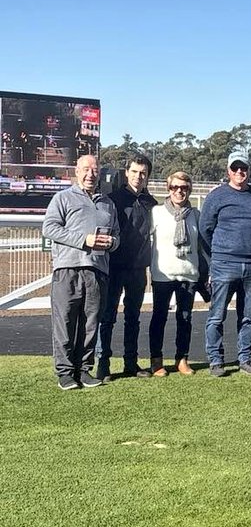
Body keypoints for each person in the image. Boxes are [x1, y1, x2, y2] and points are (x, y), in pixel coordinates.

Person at [42, 155, 120, 390]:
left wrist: (111, 243)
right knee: (65, 322)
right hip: (67, 270)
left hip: (96, 271)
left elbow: (117, 237)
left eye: (94, 170)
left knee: (90, 324)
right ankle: (65, 373)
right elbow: (50, 228)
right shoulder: (62, 198)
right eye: (86, 169)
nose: (91, 174)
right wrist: (83, 240)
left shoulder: (108, 203)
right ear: (76, 171)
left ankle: (84, 370)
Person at [199, 151, 251, 377]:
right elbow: (205, 230)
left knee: (247, 316)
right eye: (235, 168)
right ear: (228, 170)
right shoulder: (217, 196)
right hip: (224, 264)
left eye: (243, 168)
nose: (240, 172)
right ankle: (216, 361)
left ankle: (245, 358)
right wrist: (218, 254)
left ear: (249, 170)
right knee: (217, 316)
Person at [95, 154, 157, 381]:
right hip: (114, 267)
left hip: (139, 269)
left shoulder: (151, 203)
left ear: (148, 176)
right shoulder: (113, 199)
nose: (138, 176)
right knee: (107, 316)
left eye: (143, 173)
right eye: (134, 172)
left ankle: (131, 362)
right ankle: (103, 364)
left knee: (133, 317)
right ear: (127, 172)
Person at [149, 171, 203, 377]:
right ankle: (156, 360)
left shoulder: (196, 215)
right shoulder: (156, 212)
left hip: (188, 274)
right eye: (175, 187)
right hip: (163, 275)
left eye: (184, 188)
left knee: (185, 319)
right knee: (159, 317)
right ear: (168, 188)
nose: (180, 191)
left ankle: (182, 359)